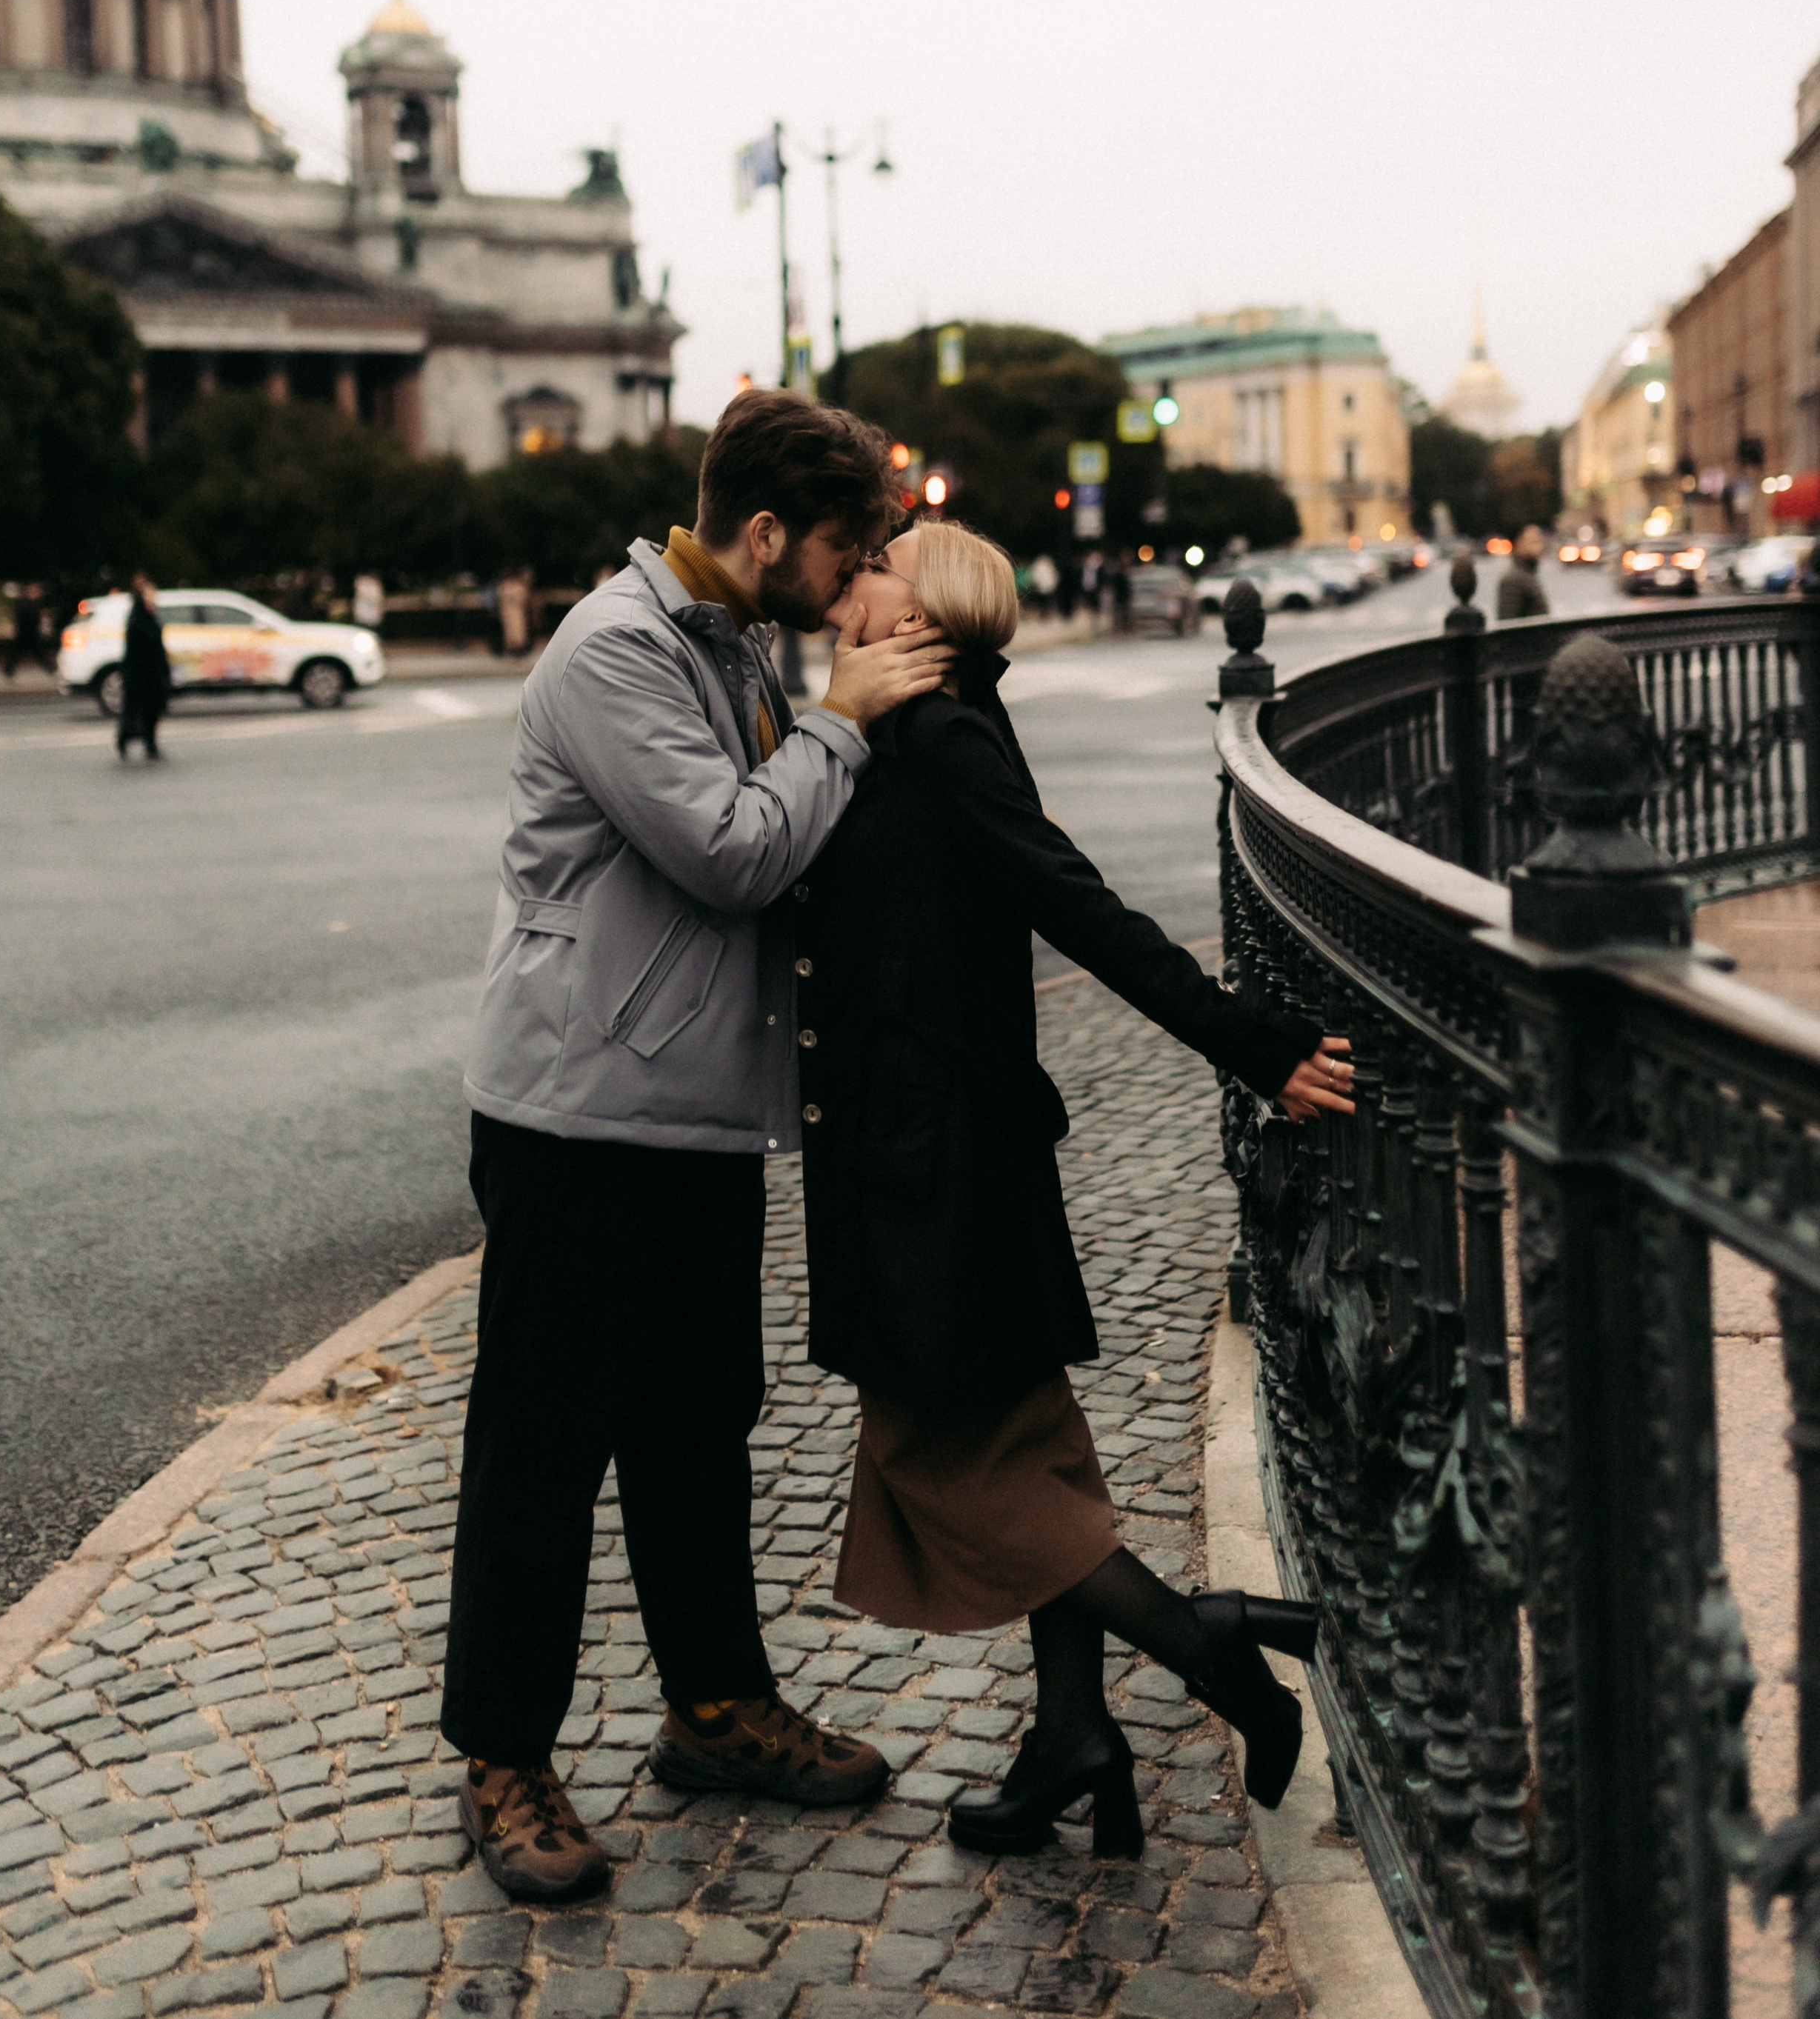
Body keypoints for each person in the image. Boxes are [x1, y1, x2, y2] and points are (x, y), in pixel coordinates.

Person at [441, 387, 956, 1905]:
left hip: (691, 1106)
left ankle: (715, 1707)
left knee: (693, 1428)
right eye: (845, 543)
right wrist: (844, 722)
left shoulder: (730, 638)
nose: (852, 572)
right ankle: (504, 1754)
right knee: (540, 1445)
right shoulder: (612, 647)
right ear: (761, 534)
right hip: (576, 1110)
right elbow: (733, 851)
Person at [794, 520, 1355, 1856]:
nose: (844, 583)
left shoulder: (936, 742)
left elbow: (1080, 909)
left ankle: (1206, 1645)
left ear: (920, 615)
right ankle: (1072, 1733)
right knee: (1030, 1446)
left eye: (871, 567)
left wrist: (1255, 1045)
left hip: (936, 1168)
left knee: (943, 1449)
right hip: (944, 1147)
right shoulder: (912, 725)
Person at [116, 575, 172, 761]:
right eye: (149, 597)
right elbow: (131, 653)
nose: (153, 600)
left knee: (153, 711)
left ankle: (151, 743)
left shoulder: (153, 618)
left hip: (155, 674)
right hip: (140, 675)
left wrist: (165, 670)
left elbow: (159, 647)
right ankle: (125, 740)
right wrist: (130, 677)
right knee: (135, 711)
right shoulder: (136, 622)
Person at [1495, 524, 1550, 619]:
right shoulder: (1512, 580)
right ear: (1518, 544)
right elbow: (1508, 624)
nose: (1540, 546)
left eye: (1541, 541)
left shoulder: (1527, 575)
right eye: (1534, 542)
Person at [3, 584, 53, 678]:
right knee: (17, 654)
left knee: (38, 654)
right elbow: (26, 618)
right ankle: (8, 672)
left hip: (30, 634)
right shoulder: (24, 603)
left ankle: (51, 670)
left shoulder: (34, 603)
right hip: (25, 633)